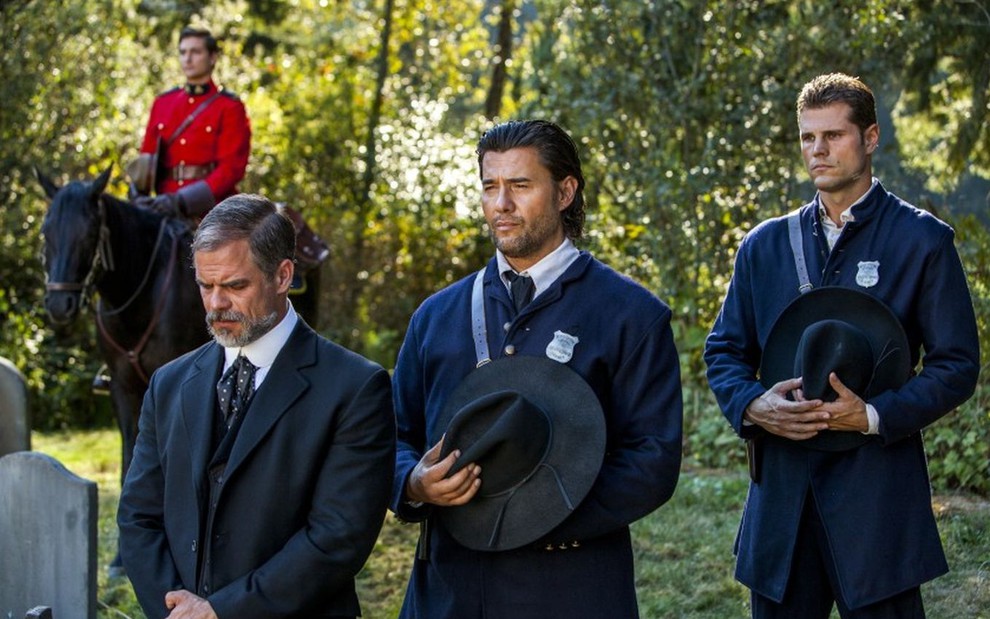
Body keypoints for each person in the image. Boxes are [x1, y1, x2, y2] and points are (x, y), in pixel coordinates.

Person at [704, 73, 980, 618]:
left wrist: (875, 415)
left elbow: (957, 365)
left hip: (878, 505)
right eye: (808, 137)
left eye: (834, 135)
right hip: (781, 506)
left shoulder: (923, 240)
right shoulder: (764, 245)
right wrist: (754, 406)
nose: (818, 150)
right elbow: (724, 351)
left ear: (871, 137)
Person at [390, 119, 683, 618]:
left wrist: (535, 514)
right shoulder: (435, 316)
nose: (501, 204)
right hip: (448, 590)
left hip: (570, 589)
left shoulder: (632, 316)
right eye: (490, 186)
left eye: (520, 185)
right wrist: (413, 484)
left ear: (565, 192)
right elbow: (392, 436)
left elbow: (651, 461)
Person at [117, 194, 394, 619]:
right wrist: (175, 609)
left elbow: (336, 539)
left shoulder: (356, 387)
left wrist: (222, 612)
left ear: (282, 275)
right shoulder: (168, 384)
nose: (215, 304)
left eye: (234, 285)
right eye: (206, 286)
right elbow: (138, 517)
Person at [131, 26, 250, 219]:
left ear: (212, 58)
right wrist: (137, 191)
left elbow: (231, 169)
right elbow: (148, 158)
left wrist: (182, 201)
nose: (187, 58)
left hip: (212, 211)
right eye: (183, 52)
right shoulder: (163, 103)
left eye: (195, 52)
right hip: (163, 207)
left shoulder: (229, 106)